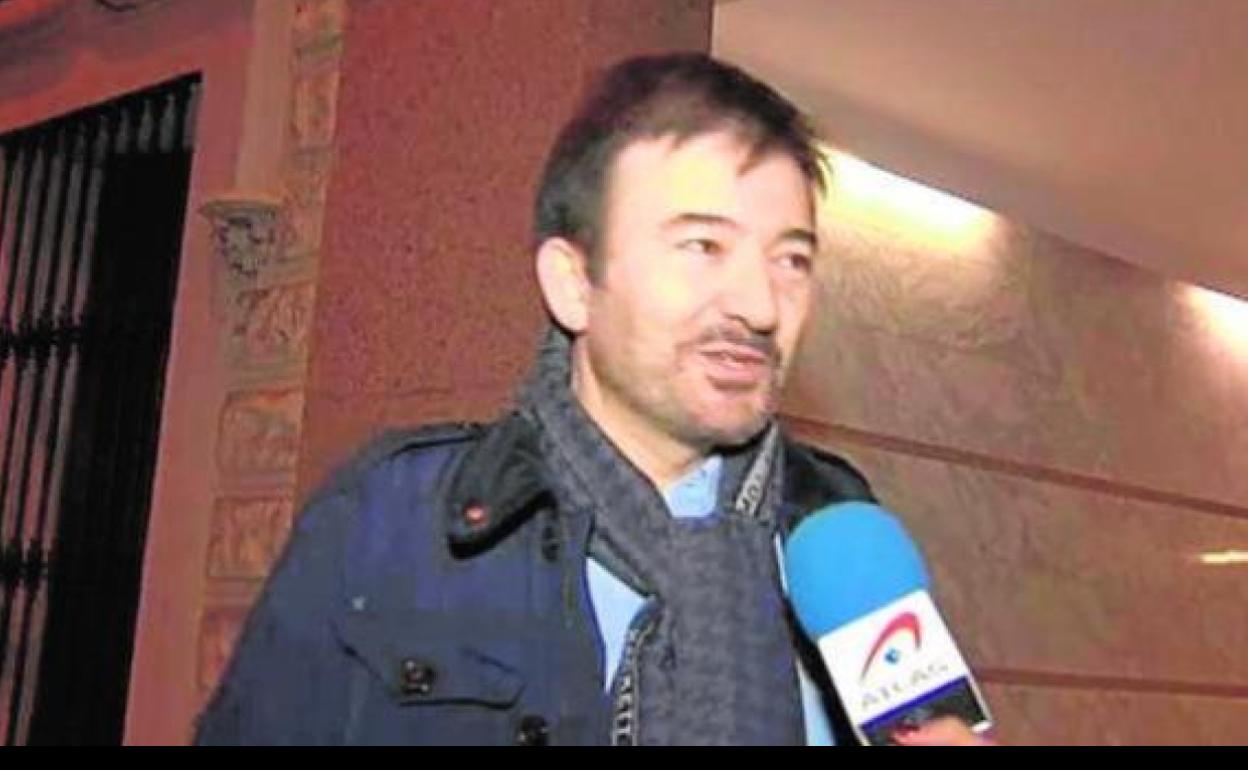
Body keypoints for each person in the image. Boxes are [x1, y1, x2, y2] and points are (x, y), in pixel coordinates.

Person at [195, 52, 989, 746]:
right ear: (574, 284)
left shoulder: (836, 528)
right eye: (703, 245)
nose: (759, 305)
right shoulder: (395, 520)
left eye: (792, 260)